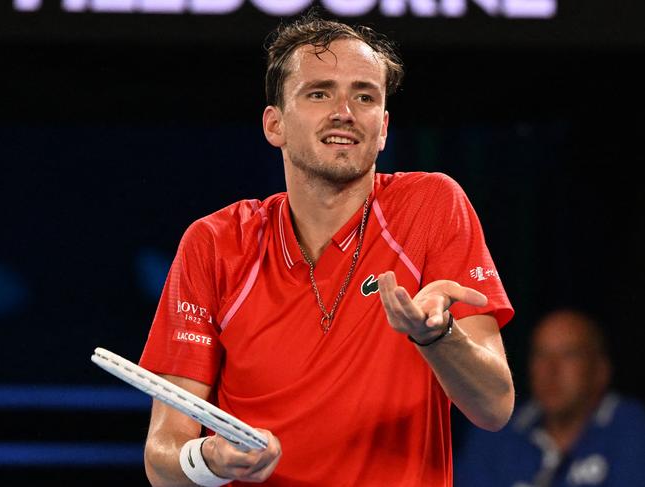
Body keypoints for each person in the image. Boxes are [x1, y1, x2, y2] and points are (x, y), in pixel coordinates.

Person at [139, 13, 515, 487]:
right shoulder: (214, 242)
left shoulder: (432, 206)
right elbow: (162, 458)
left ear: (382, 129)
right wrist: (208, 458)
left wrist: (436, 337)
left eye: (365, 96)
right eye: (319, 93)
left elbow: (495, 407)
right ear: (274, 124)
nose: (345, 111)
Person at [455, 309, 645, 487]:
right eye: (541, 355)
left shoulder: (635, 432)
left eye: (569, 354)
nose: (551, 370)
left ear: (600, 370)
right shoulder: (494, 431)